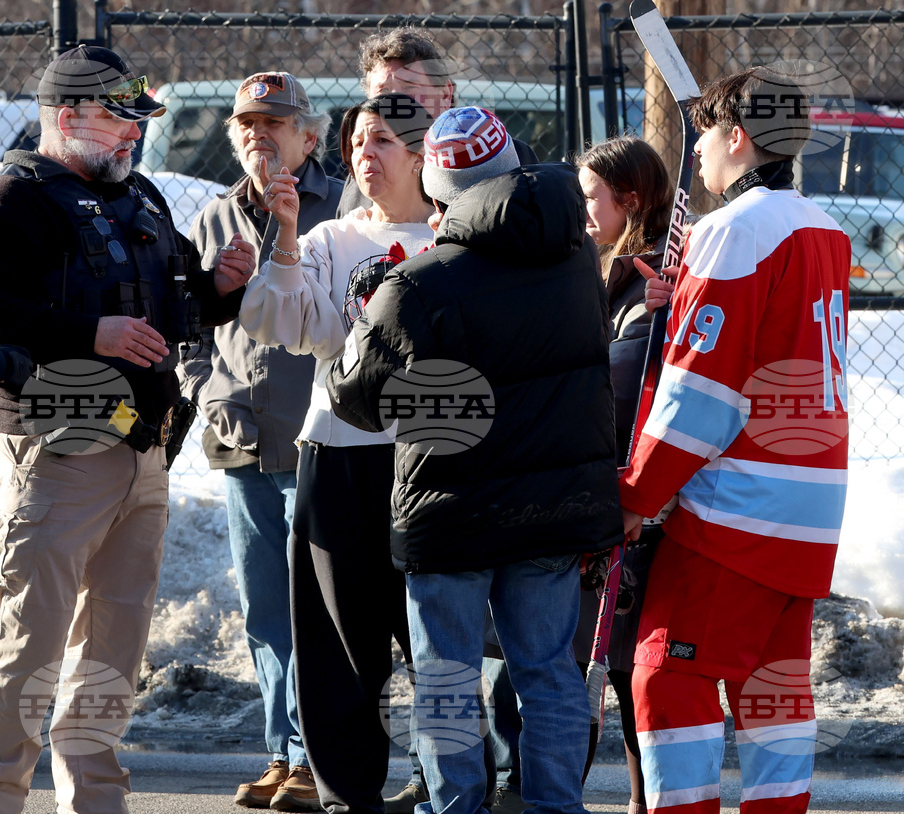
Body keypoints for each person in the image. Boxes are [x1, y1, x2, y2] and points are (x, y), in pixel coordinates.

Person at [0, 45, 254, 813]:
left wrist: (219, 287)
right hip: (57, 448)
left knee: (112, 648)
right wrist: (91, 333)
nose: (133, 138)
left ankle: (96, 799)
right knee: (32, 647)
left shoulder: (140, 195)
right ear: (67, 117)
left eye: (137, 122)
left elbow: (178, 301)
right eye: (120, 121)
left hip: (142, 450)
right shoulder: (13, 200)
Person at [325, 106, 624, 814]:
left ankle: (455, 805)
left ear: (435, 191)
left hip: (448, 508)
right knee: (547, 670)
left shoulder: (417, 286)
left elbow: (356, 402)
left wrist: (371, 315)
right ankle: (556, 805)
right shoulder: (576, 254)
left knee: (446, 677)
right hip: (554, 504)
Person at [619, 68, 852, 813]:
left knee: (666, 673)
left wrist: (636, 494)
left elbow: (703, 396)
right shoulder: (825, 226)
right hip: (809, 505)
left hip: (735, 510)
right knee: (772, 688)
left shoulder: (733, 230)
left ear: (736, 137)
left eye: (702, 137)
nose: (695, 158)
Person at [238, 93, 434, 814]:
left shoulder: (454, 237)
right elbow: (282, 323)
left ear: (421, 154)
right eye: (356, 142)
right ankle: (348, 796)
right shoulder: (330, 238)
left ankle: (452, 783)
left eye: (382, 140)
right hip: (342, 454)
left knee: (434, 641)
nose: (363, 154)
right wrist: (286, 233)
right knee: (337, 646)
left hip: (430, 460)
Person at [177, 71, 342, 811]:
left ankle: (318, 757)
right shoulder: (212, 218)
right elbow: (188, 326)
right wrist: (203, 394)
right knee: (267, 611)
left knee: (321, 610)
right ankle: (281, 752)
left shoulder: (342, 210)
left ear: (309, 137)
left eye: (275, 123)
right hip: (242, 443)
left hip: (322, 442)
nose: (258, 134)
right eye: (246, 123)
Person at [573, 137, 673, 814]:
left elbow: (618, 381)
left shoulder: (649, 281)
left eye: (592, 196)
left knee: (617, 652)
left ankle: (642, 800)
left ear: (629, 201)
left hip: (633, 493)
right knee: (609, 655)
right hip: (604, 485)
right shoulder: (607, 269)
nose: (583, 209)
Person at [339, 26, 538, 219]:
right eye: (383, 92)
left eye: (409, 88)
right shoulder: (364, 173)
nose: (395, 103)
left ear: (444, 94)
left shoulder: (502, 155)